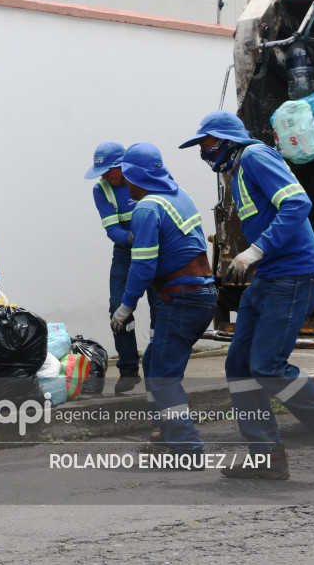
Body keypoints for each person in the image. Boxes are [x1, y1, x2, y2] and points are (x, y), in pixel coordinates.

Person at [179, 111, 314, 479]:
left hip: (294, 276)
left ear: (225, 139)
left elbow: (298, 203)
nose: (203, 151)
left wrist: (257, 250)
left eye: (206, 143)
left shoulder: (255, 156)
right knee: (239, 365)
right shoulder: (236, 170)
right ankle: (266, 455)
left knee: (266, 365)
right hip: (269, 278)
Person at [110, 143, 216, 460]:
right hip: (202, 295)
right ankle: (164, 434)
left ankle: (188, 448)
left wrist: (125, 306)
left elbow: (142, 265)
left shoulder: (146, 208)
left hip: (181, 298)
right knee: (155, 361)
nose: (126, 183)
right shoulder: (178, 195)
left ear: (136, 177)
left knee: (163, 376)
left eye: (128, 176)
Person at [84, 141, 154, 394]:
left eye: (109, 171)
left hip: (157, 249)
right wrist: (134, 238)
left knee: (160, 305)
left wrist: (148, 237)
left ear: (122, 166)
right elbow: (113, 229)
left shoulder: (145, 178)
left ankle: (157, 370)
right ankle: (128, 370)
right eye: (101, 172)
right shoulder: (101, 189)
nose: (104, 176)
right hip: (126, 252)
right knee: (118, 307)